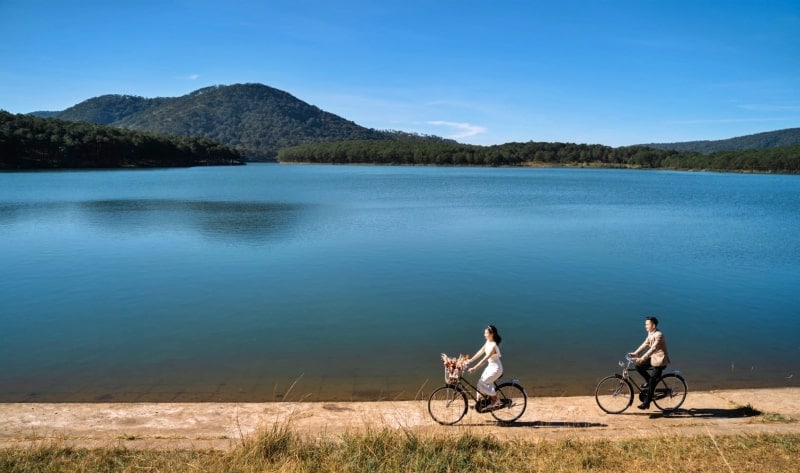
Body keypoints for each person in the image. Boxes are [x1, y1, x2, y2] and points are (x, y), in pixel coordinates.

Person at [629, 316, 670, 410]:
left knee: (652, 381)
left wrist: (642, 358)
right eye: (645, 324)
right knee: (638, 366)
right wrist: (636, 353)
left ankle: (647, 403)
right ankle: (649, 382)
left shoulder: (659, 334)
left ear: (653, 325)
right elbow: (645, 344)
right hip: (653, 358)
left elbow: (653, 349)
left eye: (647, 324)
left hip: (660, 360)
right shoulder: (650, 333)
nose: (645, 326)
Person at [467, 325, 504, 409]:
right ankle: (478, 403)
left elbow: (484, 359)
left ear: (491, 334)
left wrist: (474, 368)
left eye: (486, 333)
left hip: (496, 368)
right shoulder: (488, 341)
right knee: (480, 383)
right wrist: (471, 360)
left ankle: (495, 400)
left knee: (483, 382)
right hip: (490, 366)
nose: (484, 334)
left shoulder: (494, 346)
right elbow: (481, 351)